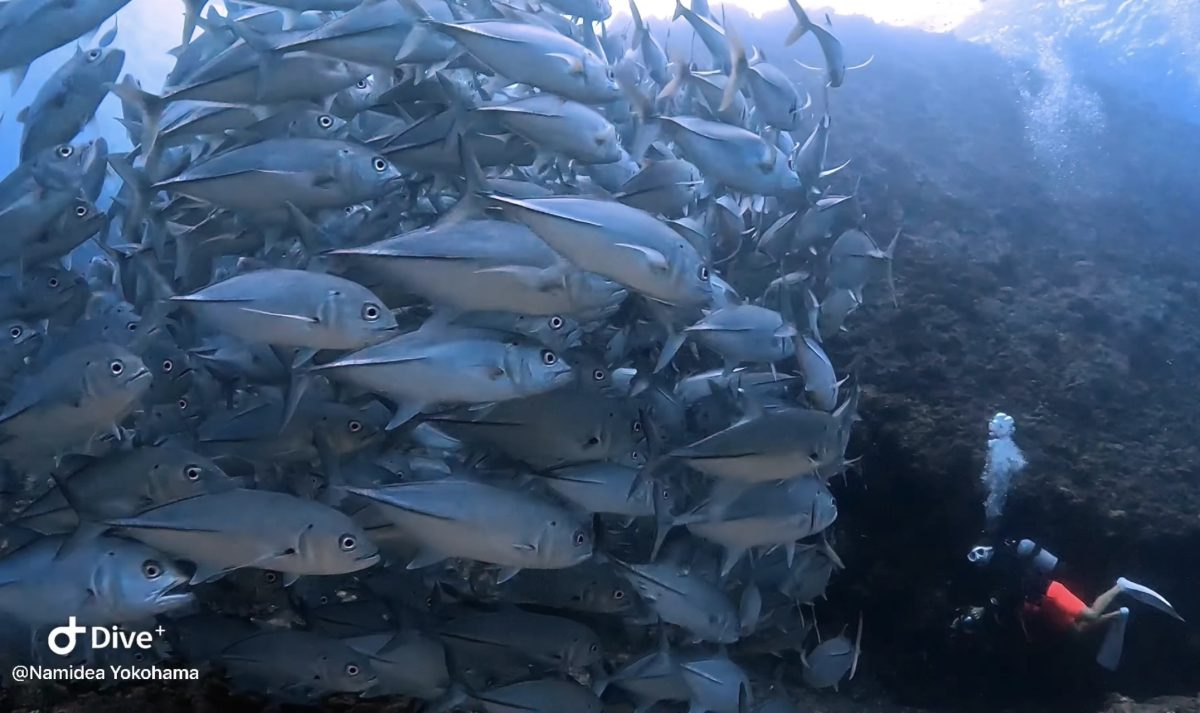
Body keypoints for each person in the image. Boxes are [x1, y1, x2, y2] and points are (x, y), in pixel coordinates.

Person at [956, 538, 1183, 670]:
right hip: (1042, 604)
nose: (976, 560)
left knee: (1091, 616)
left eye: (976, 554)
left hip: (1051, 592)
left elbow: (1011, 590)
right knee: (1076, 633)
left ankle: (1120, 586)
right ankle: (1118, 615)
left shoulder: (1005, 563)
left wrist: (989, 605)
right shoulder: (999, 569)